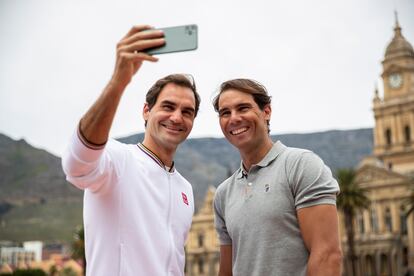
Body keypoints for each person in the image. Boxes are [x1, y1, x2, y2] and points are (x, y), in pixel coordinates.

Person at [61, 25, 201, 276]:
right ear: (146, 111)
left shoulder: (186, 189)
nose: (177, 117)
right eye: (168, 106)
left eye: (187, 112)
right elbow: (76, 165)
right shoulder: (118, 159)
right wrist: (119, 81)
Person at [212, 79, 342, 276]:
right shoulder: (223, 194)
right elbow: (227, 271)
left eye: (243, 108)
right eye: (225, 113)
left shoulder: (301, 165)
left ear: (266, 112)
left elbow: (327, 255)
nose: (234, 118)